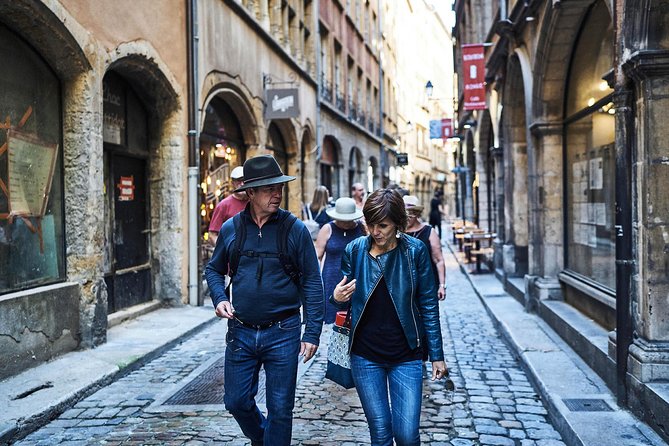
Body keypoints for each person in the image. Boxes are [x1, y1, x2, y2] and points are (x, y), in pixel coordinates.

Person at [205, 155, 324, 446]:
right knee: (236, 402)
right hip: (241, 331)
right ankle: (264, 438)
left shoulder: (294, 229)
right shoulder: (232, 228)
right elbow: (213, 268)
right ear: (251, 192)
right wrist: (219, 298)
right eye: (270, 188)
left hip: (283, 332)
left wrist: (312, 332)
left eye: (279, 187)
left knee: (281, 409)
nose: (277, 193)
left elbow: (312, 279)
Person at [331, 188, 447, 446]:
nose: (375, 232)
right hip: (365, 355)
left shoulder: (415, 251)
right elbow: (343, 298)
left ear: (398, 223)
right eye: (370, 224)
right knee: (381, 434)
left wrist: (437, 355)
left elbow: (428, 304)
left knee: (406, 435)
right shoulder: (354, 250)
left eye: (382, 225)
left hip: (406, 354)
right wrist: (336, 297)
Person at [315, 197, 366, 324]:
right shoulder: (328, 228)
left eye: (349, 219)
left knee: (356, 318)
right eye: (343, 219)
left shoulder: (361, 228)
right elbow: (318, 256)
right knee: (334, 319)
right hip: (332, 278)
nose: (346, 223)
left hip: (356, 279)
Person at [404, 195, 446, 301]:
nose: (407, 217)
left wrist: (442, 285)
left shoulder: (429, 232)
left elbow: (439, 260)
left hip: (427, 285)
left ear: (417, 214)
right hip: (404, 287)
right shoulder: (397, 233)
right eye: (404, 214)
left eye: (411, 214)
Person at [208, 166, 247, 245]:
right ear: (232, 183)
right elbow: (212, 235)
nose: (242, 184)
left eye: (244, 180)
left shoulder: (254, 203)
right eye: (238, 181)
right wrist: (225, 250)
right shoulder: (223, 205)